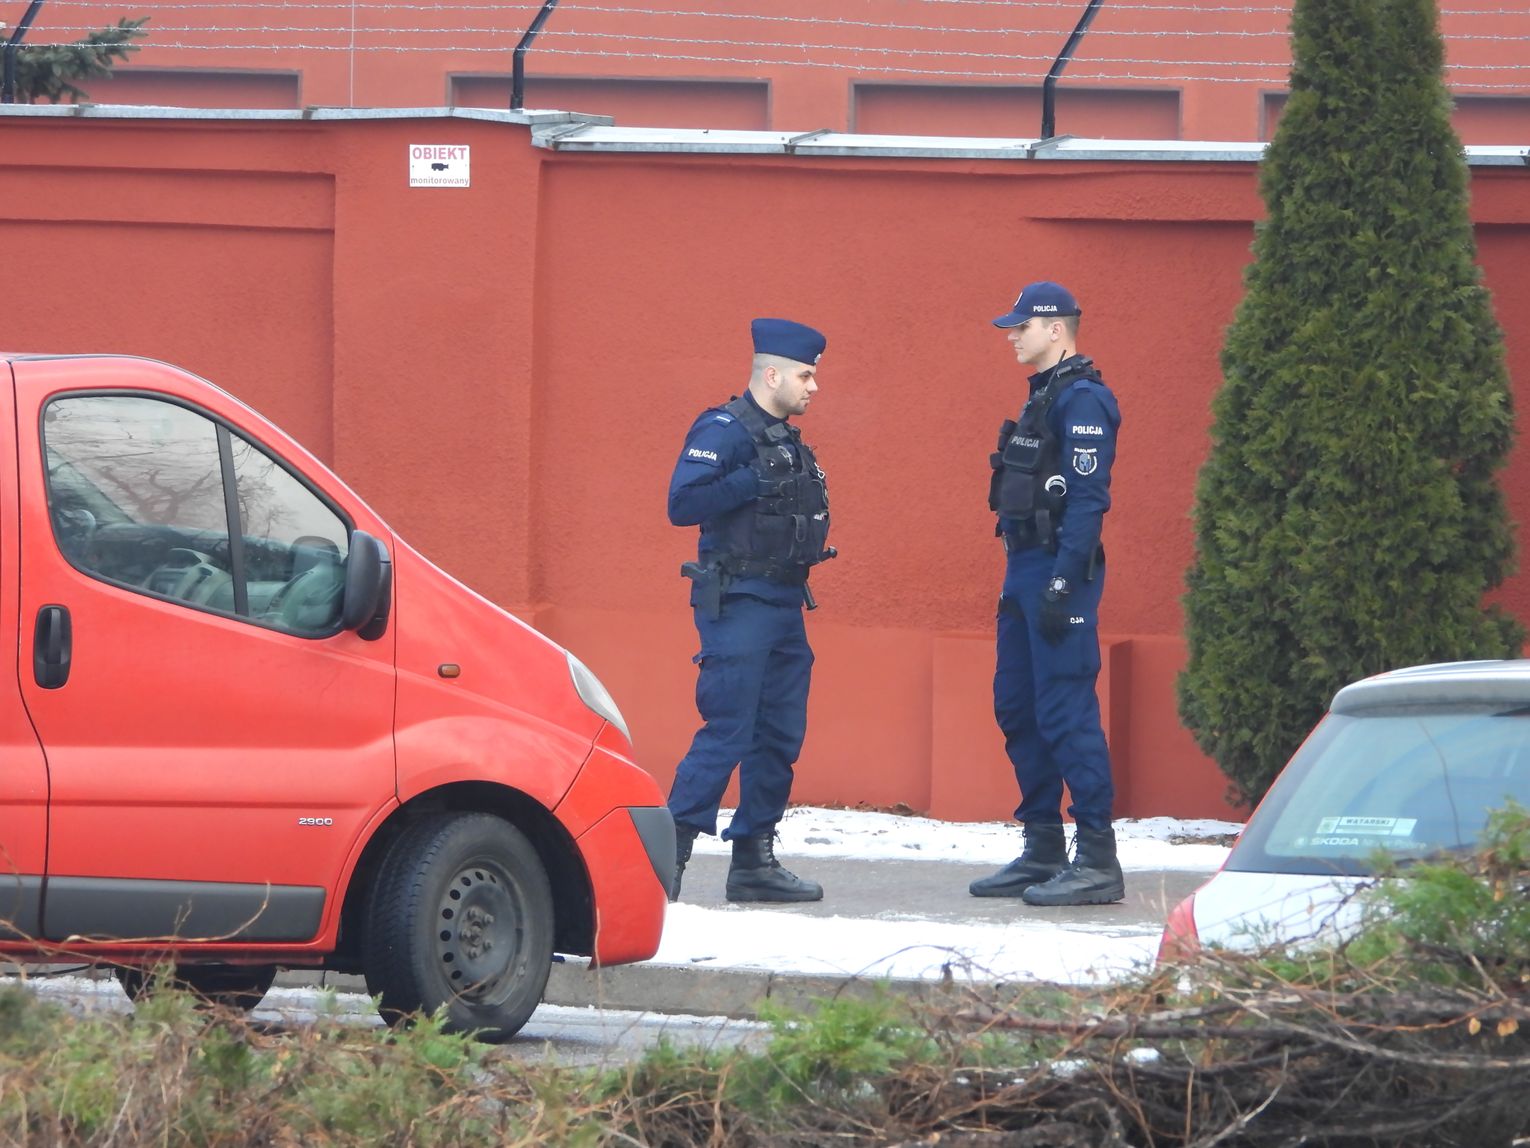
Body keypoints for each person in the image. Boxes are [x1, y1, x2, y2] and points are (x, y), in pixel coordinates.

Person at [666, 318, 835, 904]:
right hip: (738, 602)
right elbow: (682, 503)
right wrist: (751, 480)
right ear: (772, 375)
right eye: (805, 376)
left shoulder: (785, 437)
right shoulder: (724, 429)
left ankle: (753, 862)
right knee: (728, 730)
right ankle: (664, 860)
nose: (814, 386)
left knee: (779, 735)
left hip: (785, 603)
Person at [968, 281, 1125, 906]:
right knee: (1017, 707)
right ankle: (1042, 847)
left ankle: (1098, 858)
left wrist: (1063, 581)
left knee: (1065, 710)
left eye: (1022, 326)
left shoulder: (1083, 399)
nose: (1012, 335)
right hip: (1023, 568)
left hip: (1059, 570)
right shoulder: (1045, 395)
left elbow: (1087, 500)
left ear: (1055, 329)